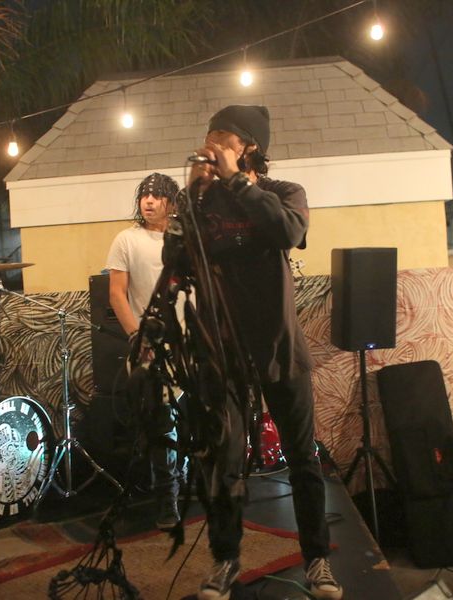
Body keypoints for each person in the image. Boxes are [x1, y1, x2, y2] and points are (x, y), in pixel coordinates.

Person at [185, 105, 343, 600]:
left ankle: (317, 560)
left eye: (222, 137)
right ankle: (225, 562)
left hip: (279, 345)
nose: (211, 144)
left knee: (303, 459)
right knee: (225, 462)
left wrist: (236, 181)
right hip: (225, 352)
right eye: (209, 136)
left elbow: (288, 232)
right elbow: (180, 258)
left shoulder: (283, 192)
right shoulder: (205, 201)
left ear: (249, 147)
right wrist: (191, 198)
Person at [106, 172, 183, 530]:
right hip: (151, 347)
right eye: (144, 195)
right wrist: (138, 339)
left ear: (172, 201)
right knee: (161, 426)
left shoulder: (186, 238)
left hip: (190, 345)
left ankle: (196, 483)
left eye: (157, 195)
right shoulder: (126, 239)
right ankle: (167, 498)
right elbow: (116, 294)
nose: (149, 201)